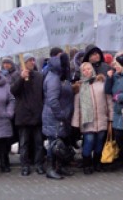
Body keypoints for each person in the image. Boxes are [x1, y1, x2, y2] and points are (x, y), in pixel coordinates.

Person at [72, 63, 113, 175]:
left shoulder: (101, 84)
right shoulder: (80, 87)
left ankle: (97, 163)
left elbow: (109, 102)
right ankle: (87, 164)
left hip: (101, 119)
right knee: (89, 142)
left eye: (89, 68)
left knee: (99, 143)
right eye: (84, 70)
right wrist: (75, 124)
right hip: (87, 121)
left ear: (93, 69)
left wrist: (111, 117)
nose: (87, 71)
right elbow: (77, 108)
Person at [10, 53, 45, 176]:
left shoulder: (39, 76)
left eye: (33, 60)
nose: (32, 62)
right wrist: (21, 78)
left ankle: (39, 164)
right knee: (24, 144)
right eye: (29, 60)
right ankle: (25, 166)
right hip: (23, 115)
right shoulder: (15, 76)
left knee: (39, 143)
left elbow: (43, 94)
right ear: (23, 63)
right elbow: (13, 91)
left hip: (37, 114)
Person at [42, 52, 74, 180]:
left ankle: (59, 167)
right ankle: (50, 169)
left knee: (59, 143)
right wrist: (61, 114)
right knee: (53, 144)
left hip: (60, 116)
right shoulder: (53, 79)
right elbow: (53, 100)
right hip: (55, 117)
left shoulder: (59, 77)